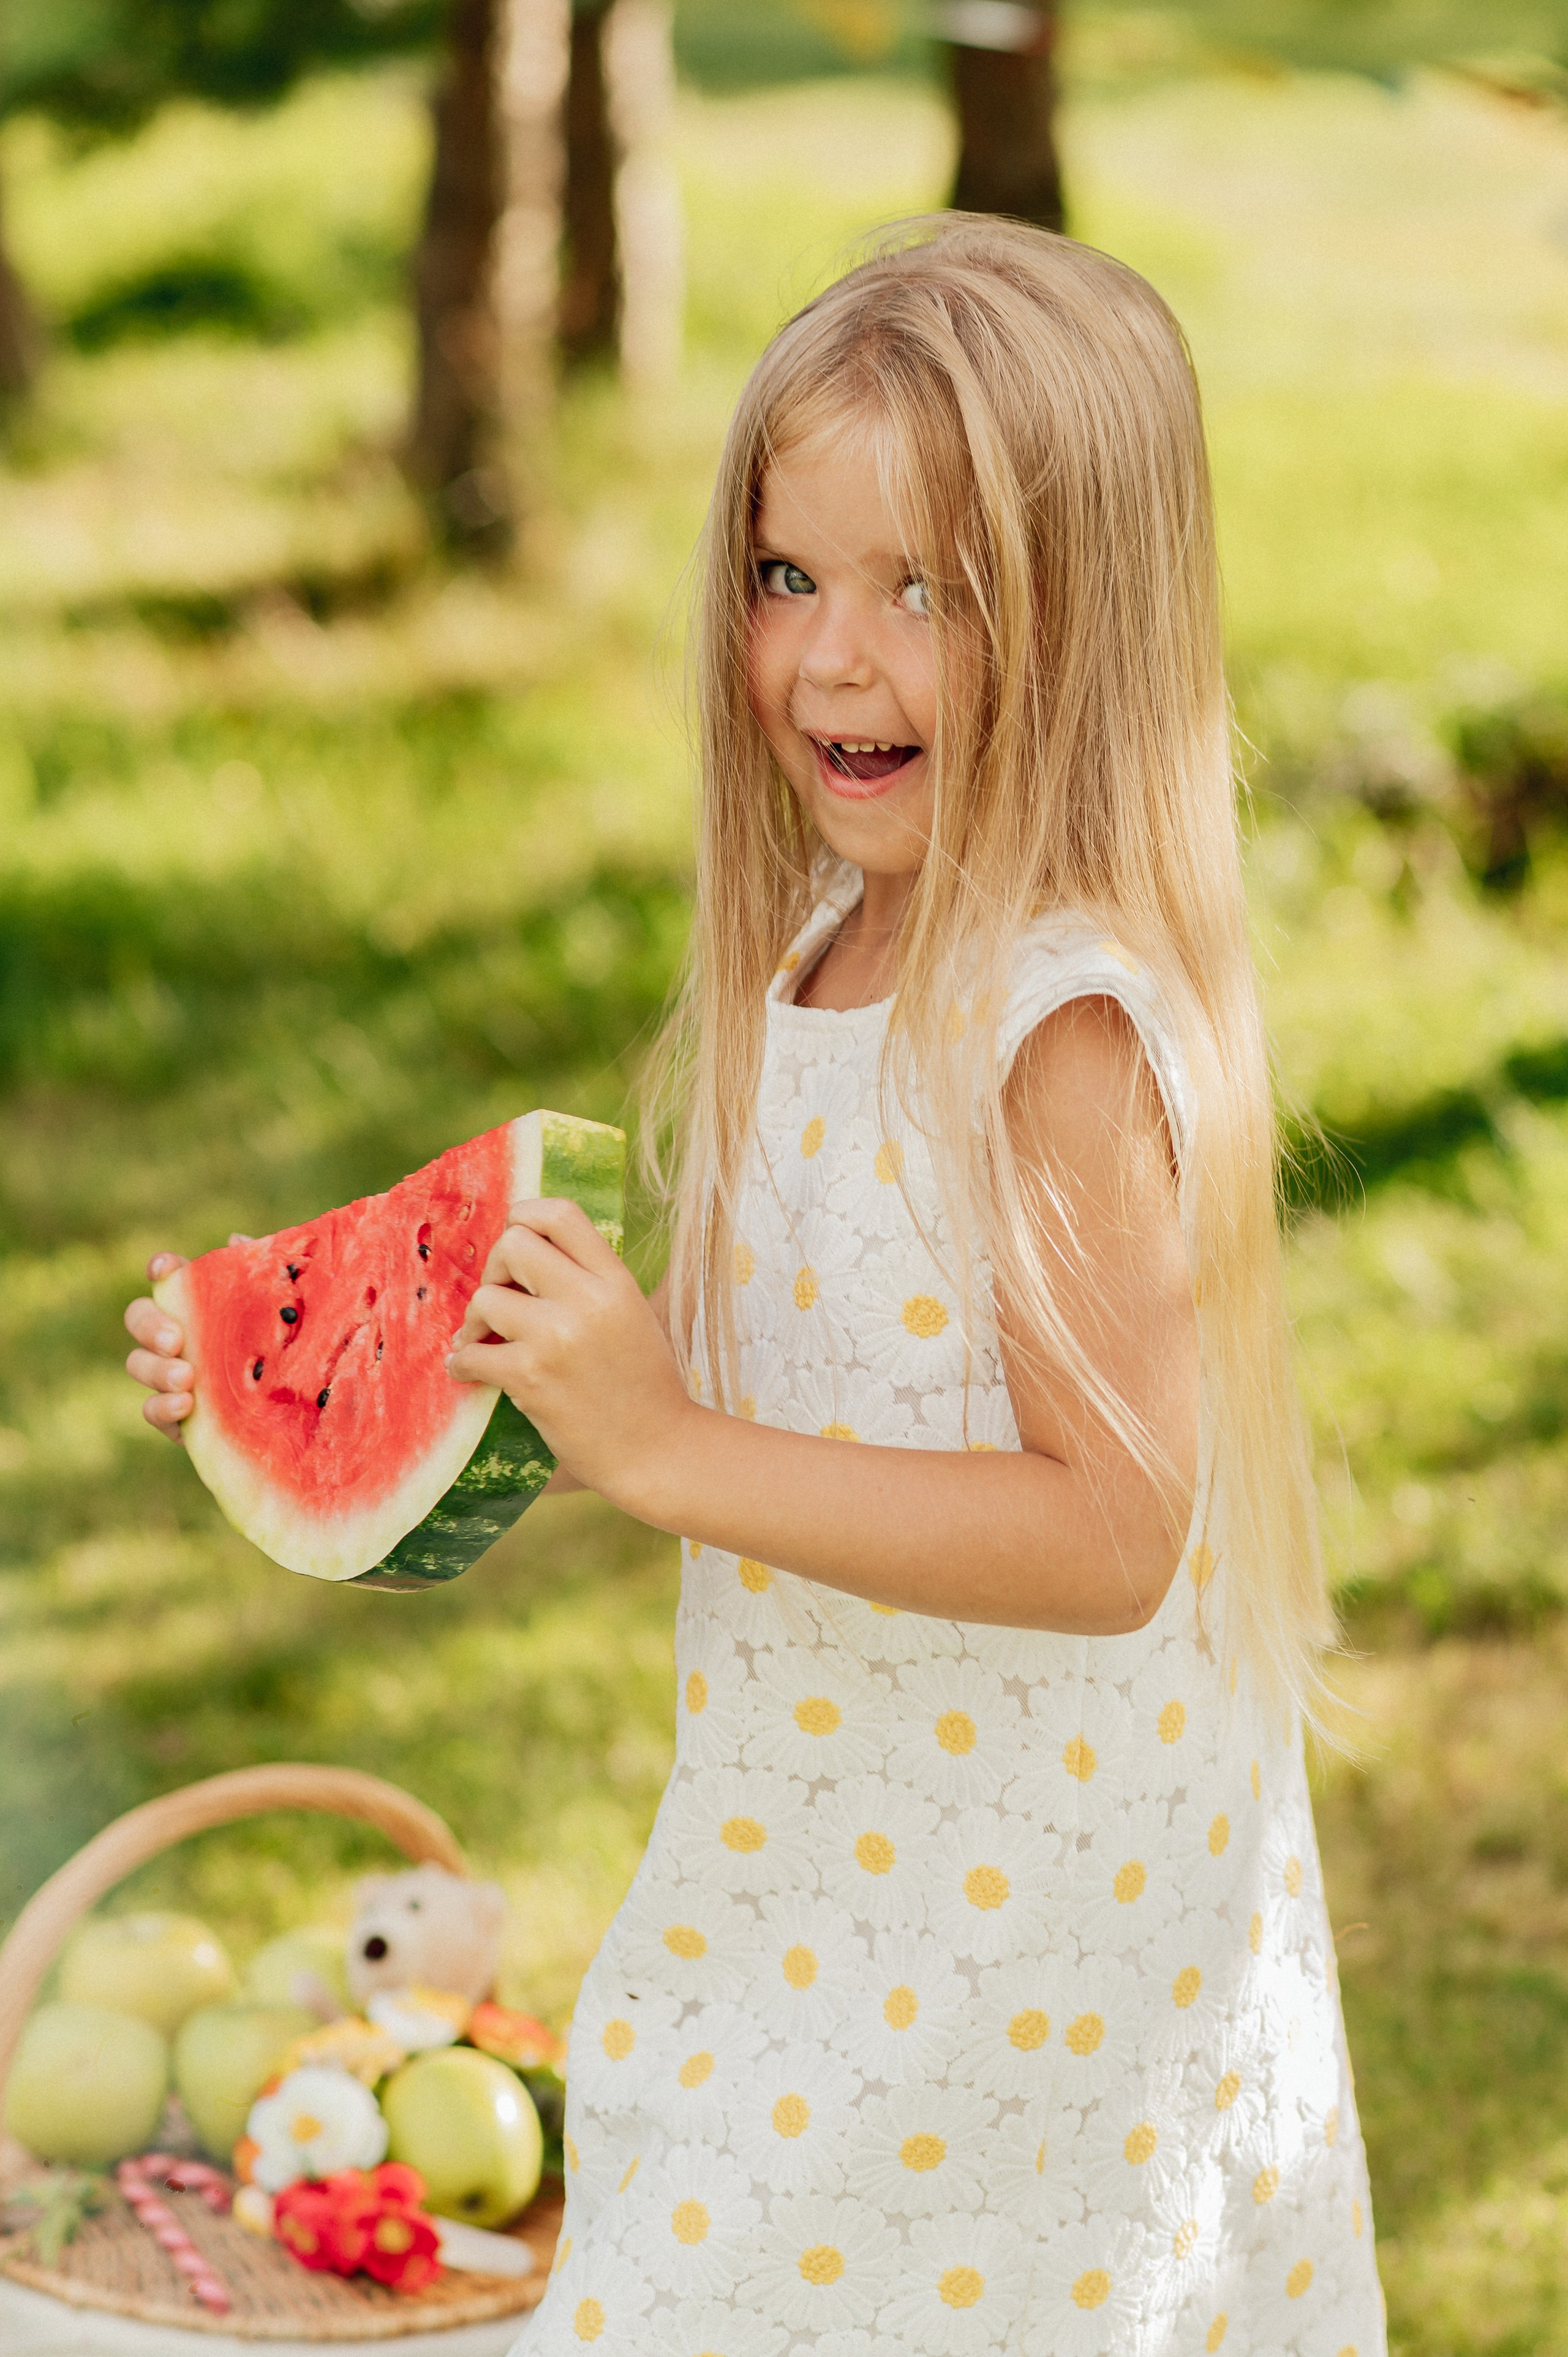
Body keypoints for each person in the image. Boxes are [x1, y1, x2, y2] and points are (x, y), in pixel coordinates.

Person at [126, 216, 1384, 2354]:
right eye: (790, 576)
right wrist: (397, 1351)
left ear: (1090, 623)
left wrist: (672, 1444)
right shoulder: (823, 942)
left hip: (1023, 1965)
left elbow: (1110, 1532)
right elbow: (831, 1375)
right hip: (806, 1885)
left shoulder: (1057, 1029)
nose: (833, 661)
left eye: (932, 591)